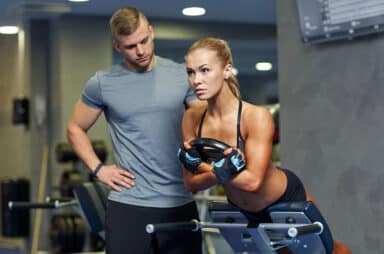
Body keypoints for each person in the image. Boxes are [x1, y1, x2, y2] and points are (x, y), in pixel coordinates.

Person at [178, 37, 351, 254]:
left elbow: (253, 182)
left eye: (204, 70)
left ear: (226, 70)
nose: (196, 80)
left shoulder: (255, 116)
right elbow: (190, 183)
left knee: (329, 251)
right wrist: (219, 171)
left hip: (283, 199)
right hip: (242, 210)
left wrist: (205, 168)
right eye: (190, 72)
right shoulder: (191, 119)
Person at [66, 7, 204, 254]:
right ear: (117, 47)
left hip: (179, 203)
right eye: (130, 46)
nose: (140, 51)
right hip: (129, 206)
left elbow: (208, 121)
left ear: (151, 32)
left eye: (144, 41)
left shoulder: (181, 76)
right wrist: (99, 169)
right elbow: (75, 128)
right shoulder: (102, 83)